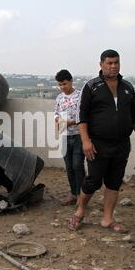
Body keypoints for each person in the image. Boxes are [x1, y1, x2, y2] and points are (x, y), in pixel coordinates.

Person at [68, 49, 135, 233]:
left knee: (114, 181)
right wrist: (86, 141)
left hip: (121, 144)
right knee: (93, 180)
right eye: (109, 63)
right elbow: (81, 116)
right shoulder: (92, 86)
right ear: (101, 64)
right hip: (98, 144)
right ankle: (79, 212)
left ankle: (107, 219)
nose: (113, 66)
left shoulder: (127, 87)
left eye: (116, 62)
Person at [54, 70, 86, 206]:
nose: (62, 87)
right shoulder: (59, 98)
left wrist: (71, 122)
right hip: (65, 136)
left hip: (79, 135)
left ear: (71, 81)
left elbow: (84, 115)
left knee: (77, 165)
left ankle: (82, 196)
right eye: (60, 85)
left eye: (64, 84)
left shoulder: (80, 96)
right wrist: (57, 121)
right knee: (69, 167)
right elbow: (56, 113)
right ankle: (73, 194)